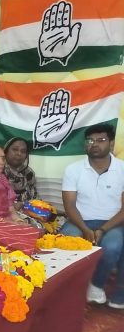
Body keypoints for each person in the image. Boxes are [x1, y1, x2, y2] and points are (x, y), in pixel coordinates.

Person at [61, 124, 124, 307]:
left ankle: (96, 285)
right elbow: (69, 206)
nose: (94, 144)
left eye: (101, 140)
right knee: (68, 241)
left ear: (111, 144)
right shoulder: (73, 169)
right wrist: (85, 229)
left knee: (112, 246)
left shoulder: (122, 169)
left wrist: (102, 230)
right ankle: (68, 290)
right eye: (90, 140)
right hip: (79, 220)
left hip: (112, 222)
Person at [3, 137, 39, 207]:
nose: (19, 153)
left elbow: (34, 197)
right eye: (15, 149)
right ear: (6, 151)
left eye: (23, 151)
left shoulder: (29, 173)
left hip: (27, 211)